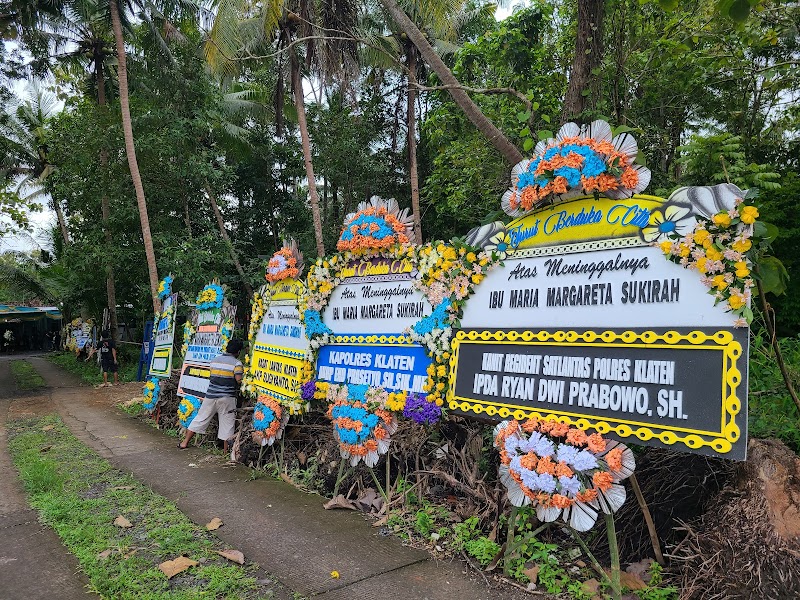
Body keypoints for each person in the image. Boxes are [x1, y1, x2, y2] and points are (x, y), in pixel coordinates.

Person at [179, 339, 244, 452]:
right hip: (227, 397)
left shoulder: (215, 361)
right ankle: (225, 452)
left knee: (200, 418)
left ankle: (184, 442)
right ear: (238, 351)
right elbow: (238, 380)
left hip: (210, 395)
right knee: (227, 423)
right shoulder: (237, 363)